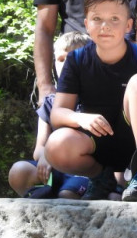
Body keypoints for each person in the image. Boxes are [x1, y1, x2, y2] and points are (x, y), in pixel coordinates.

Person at [44, 0, 137, 202]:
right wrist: (80, 118)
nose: (105, 26)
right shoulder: (77, 60)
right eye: (97, 19)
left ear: (129, 25)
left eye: (114, 19)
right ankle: (101, 178)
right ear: (86, 25)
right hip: (97, 142)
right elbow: (57, 114)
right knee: (55, 145)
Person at [8, 31, 92, 199]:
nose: (66, 65)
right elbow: (39, 147)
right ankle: (43, 192)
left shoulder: (98, 101)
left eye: (72, 59)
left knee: (67, 195)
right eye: (61, 60)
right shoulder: (50, 103)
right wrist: (47, 156)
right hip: (53, 168)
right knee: (19, 171)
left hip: (84, 173)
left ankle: (59, 194)